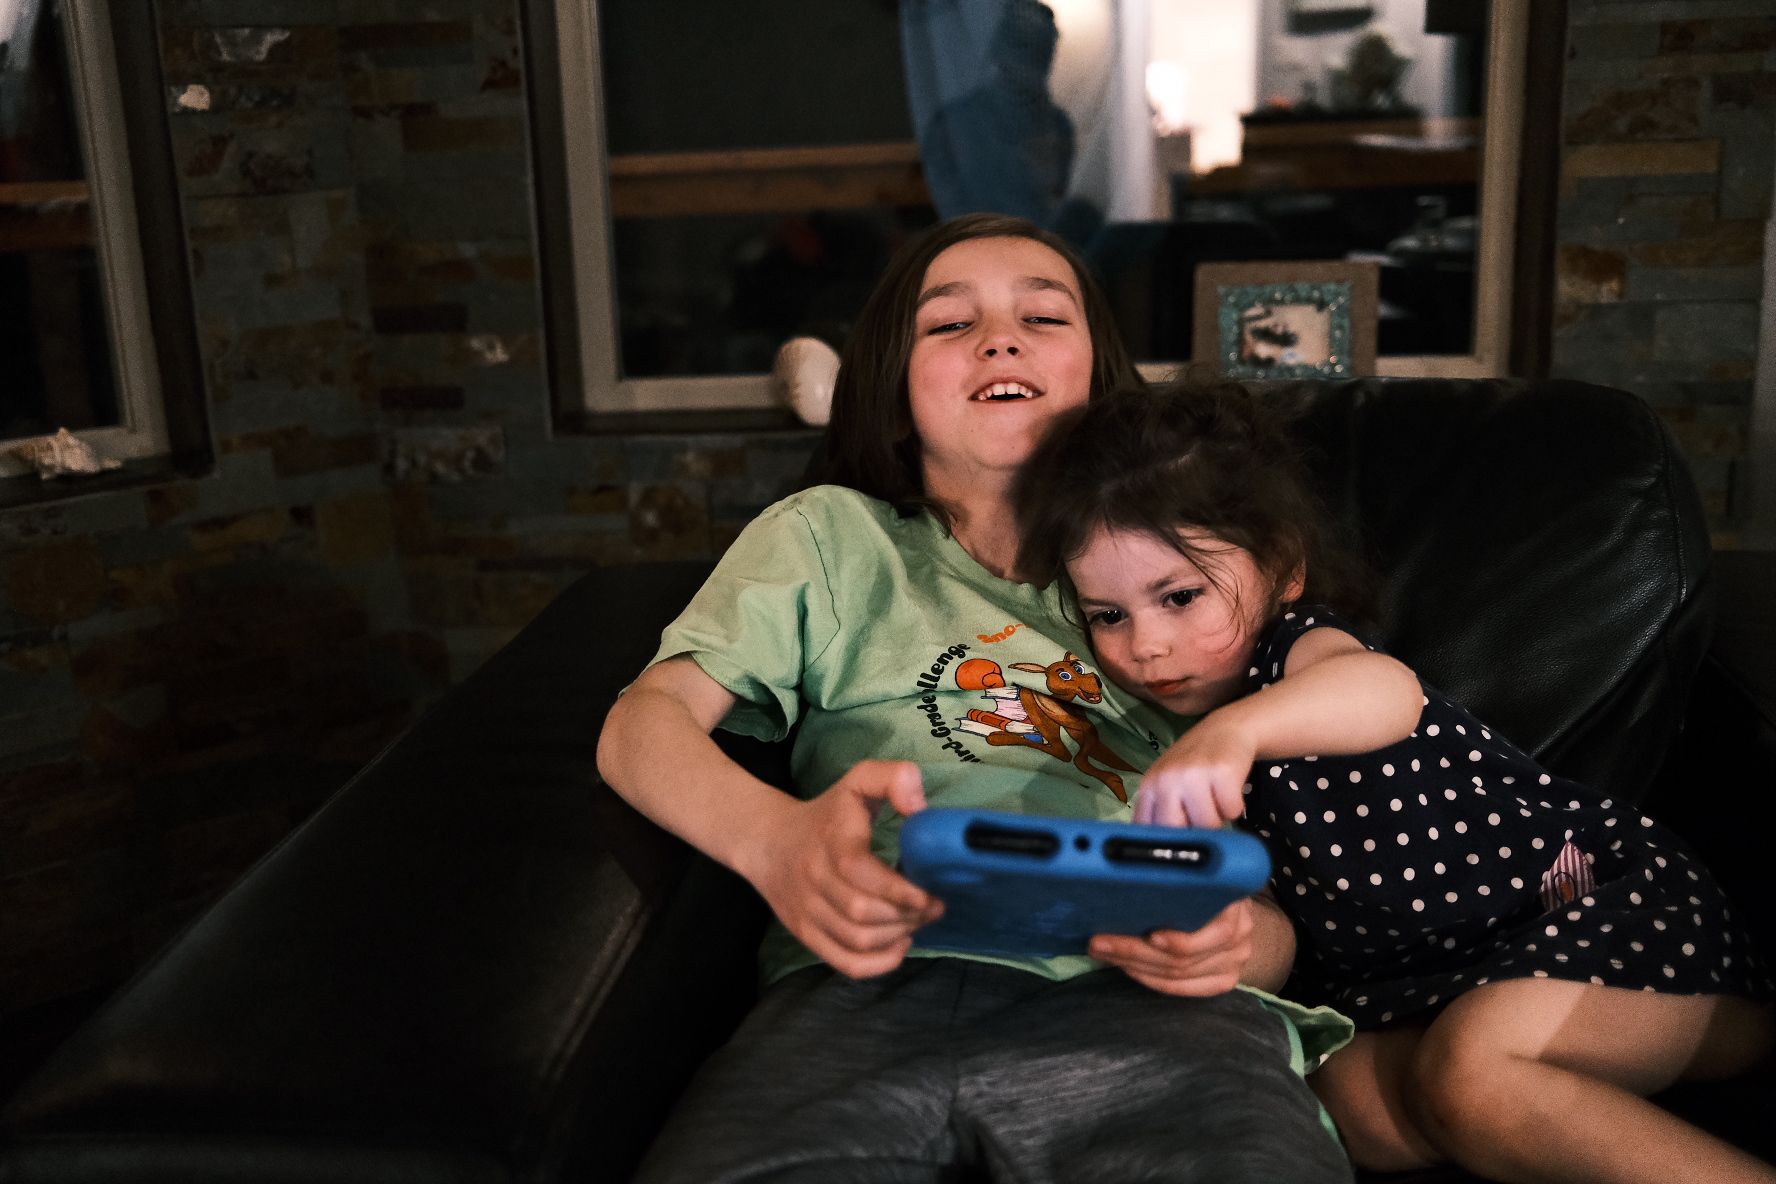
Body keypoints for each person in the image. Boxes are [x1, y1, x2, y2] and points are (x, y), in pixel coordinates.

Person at [596, 214, 1355, 1184]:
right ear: (896, 395)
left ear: (1101, 381)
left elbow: (1302, 876)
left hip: (1153, 1011)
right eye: (949, 325)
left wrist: (1237, 945)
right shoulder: (831, 538)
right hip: (861, 989)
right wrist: (776, 842)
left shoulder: (1197, 566)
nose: (1001, 338)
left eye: (1044, 314)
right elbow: (641, 723)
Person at [1011, 379, 1776, 1184]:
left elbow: (1386, 696)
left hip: (1609, 927)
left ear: (1283, 568)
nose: (1148, 647)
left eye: (1179, 596)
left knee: (1471, 1072)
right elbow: (1261, 921)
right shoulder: (1163, 743)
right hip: (1429, 986)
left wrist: (1235, 733)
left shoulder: (1301, 655)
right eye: (1108, 615)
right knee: (1333, 1102)